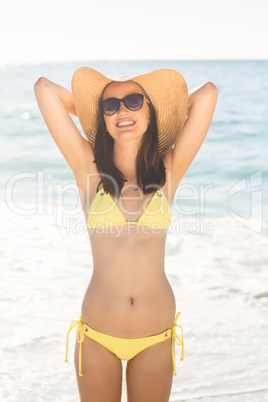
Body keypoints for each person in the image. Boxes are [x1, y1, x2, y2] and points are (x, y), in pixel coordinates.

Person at [34, 67, 218, 402]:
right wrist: (97, 112)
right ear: (103, 119)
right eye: (111, 106)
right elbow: (44, 88)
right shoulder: (88, 169)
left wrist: (165, 112)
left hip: (155, 337)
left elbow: (207, 95)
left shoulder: (169, 172)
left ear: (150, 112)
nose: (123, 110)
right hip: (98, 336)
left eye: (134, 102)